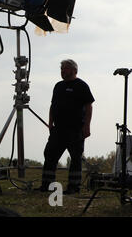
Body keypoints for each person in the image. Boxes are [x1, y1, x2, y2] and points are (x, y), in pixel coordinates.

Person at [38, 59, 94, 194]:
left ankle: (74, 187)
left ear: (74, 70)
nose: (63, 71)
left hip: (75, 129)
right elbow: (53, 106)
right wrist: (50, 123)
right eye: (61, 69)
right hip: (58, 129)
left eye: (66, 68)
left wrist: (87, 126)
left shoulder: (82, 86)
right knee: (50, 155)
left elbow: (89, 106)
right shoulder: (58, 86)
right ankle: (47, 186)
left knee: (75, 158)